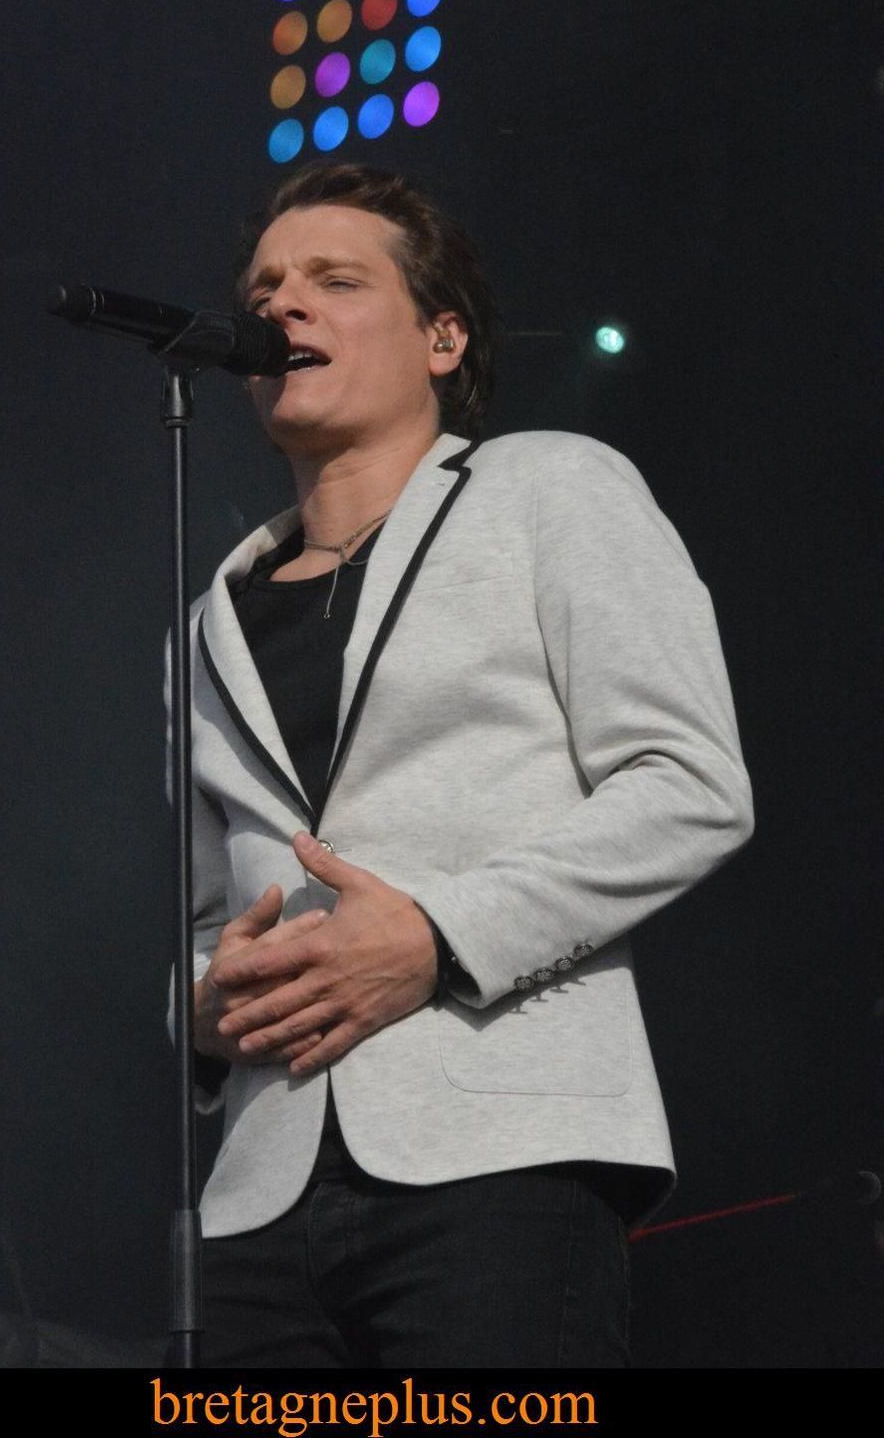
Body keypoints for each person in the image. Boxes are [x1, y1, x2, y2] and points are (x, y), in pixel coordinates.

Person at [168, 161, 753, 1368]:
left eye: (335, 281)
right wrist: (204, 1008)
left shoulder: (548, 486)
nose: (283, 306)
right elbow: (205, 921)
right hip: (259, 1200)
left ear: (444, 338)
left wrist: (439, 936)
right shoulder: (207, 618)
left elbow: (690, 783)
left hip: (501, 1153)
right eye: (265, 290)